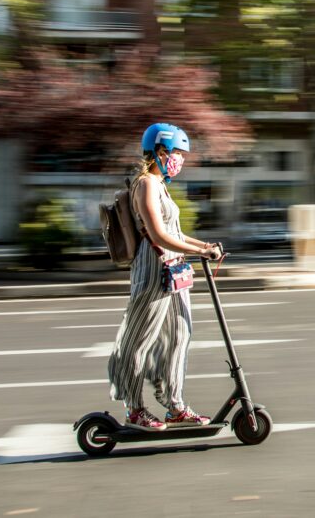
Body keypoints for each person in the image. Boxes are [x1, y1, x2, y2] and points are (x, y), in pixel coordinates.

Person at [107, 123, 222, 431]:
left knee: (178, 337)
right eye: (177, 154)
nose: (180, 160)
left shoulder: (161, 185)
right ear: (160, 151)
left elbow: (175, 232)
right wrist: (201, 253)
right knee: (139, 340)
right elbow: (157, 234)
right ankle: (134, 409)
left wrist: (205, 246)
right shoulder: (145, 183)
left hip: (173, 270)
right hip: (153, 269)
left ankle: (175, 406)